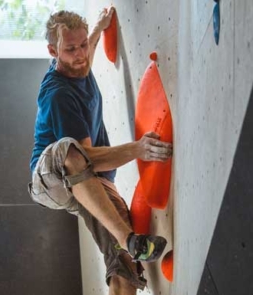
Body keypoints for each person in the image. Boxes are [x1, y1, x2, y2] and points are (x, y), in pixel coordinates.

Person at [29, 7, 173, 295]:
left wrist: (98, 27)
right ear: (52, 50)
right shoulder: (58, 95)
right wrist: (138, 149)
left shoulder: (79, 62)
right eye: (70, 48)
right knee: (72, 151)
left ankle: (128, 245)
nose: (81, 54)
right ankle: (128, 238)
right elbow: (84, 157)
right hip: (49, 178)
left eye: (82, 44)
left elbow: (90, 48)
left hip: (90, 180)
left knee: (124, 263)